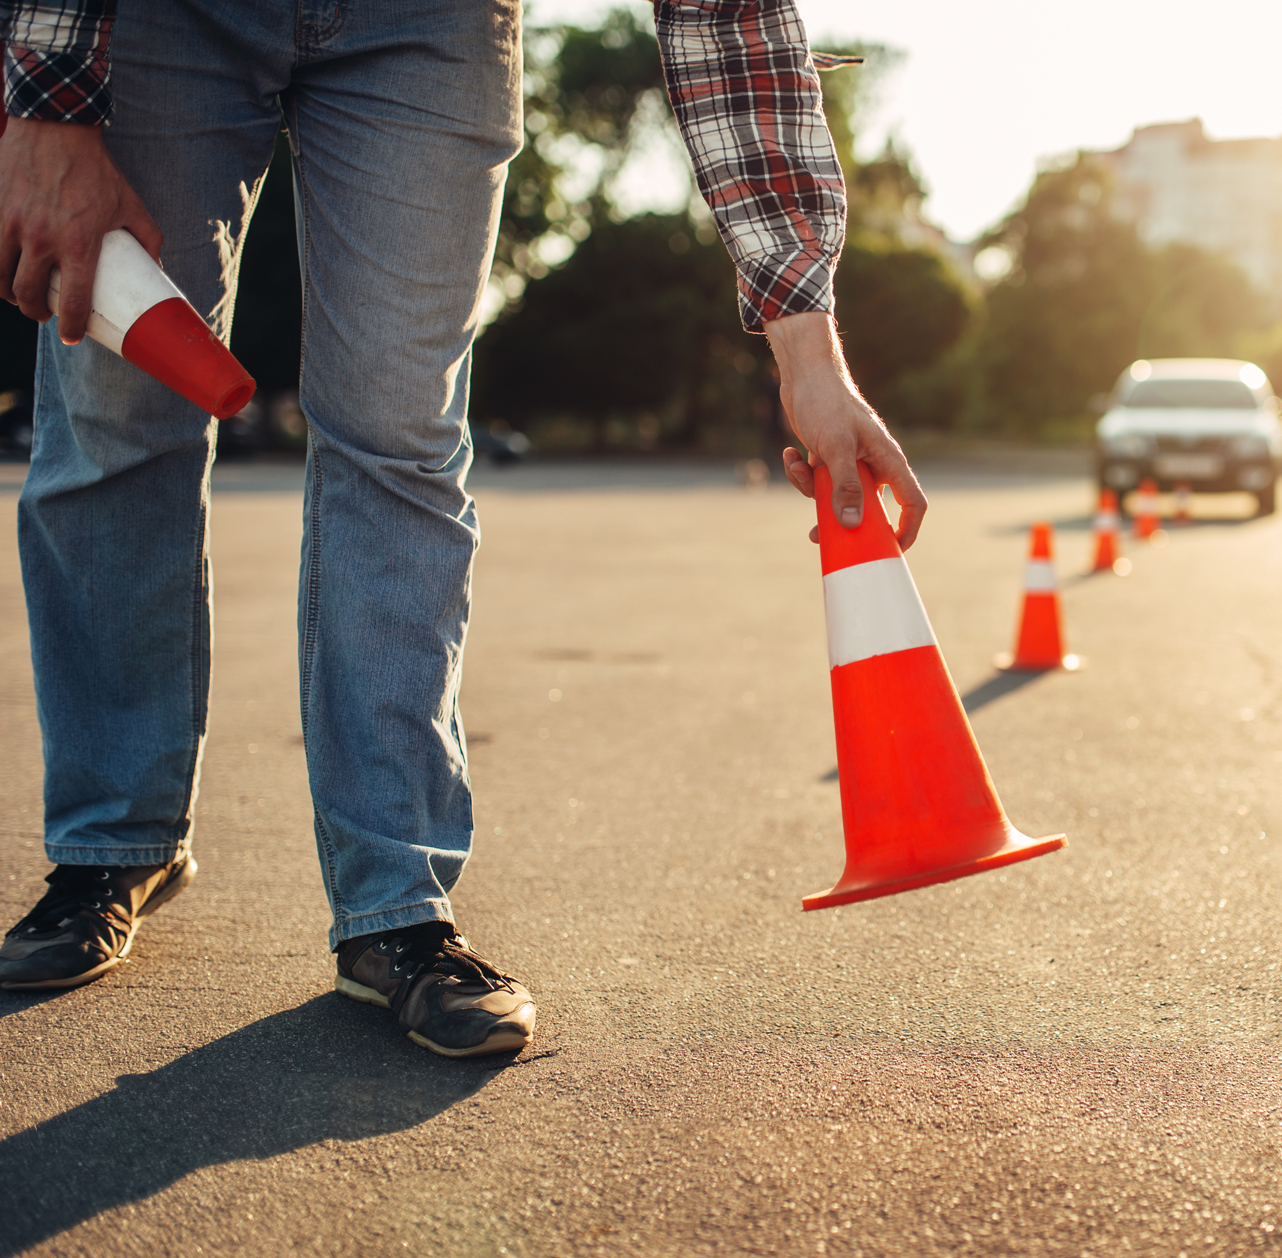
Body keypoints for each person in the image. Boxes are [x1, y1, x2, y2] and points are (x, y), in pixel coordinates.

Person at [0, 0, 925, 1057]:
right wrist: (47, 102)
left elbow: (725, 18)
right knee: (117, 411)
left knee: (400, 436)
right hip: (158, 20)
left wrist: (812, 355)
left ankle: (396, 906)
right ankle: (111, 841)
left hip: (427, 25)